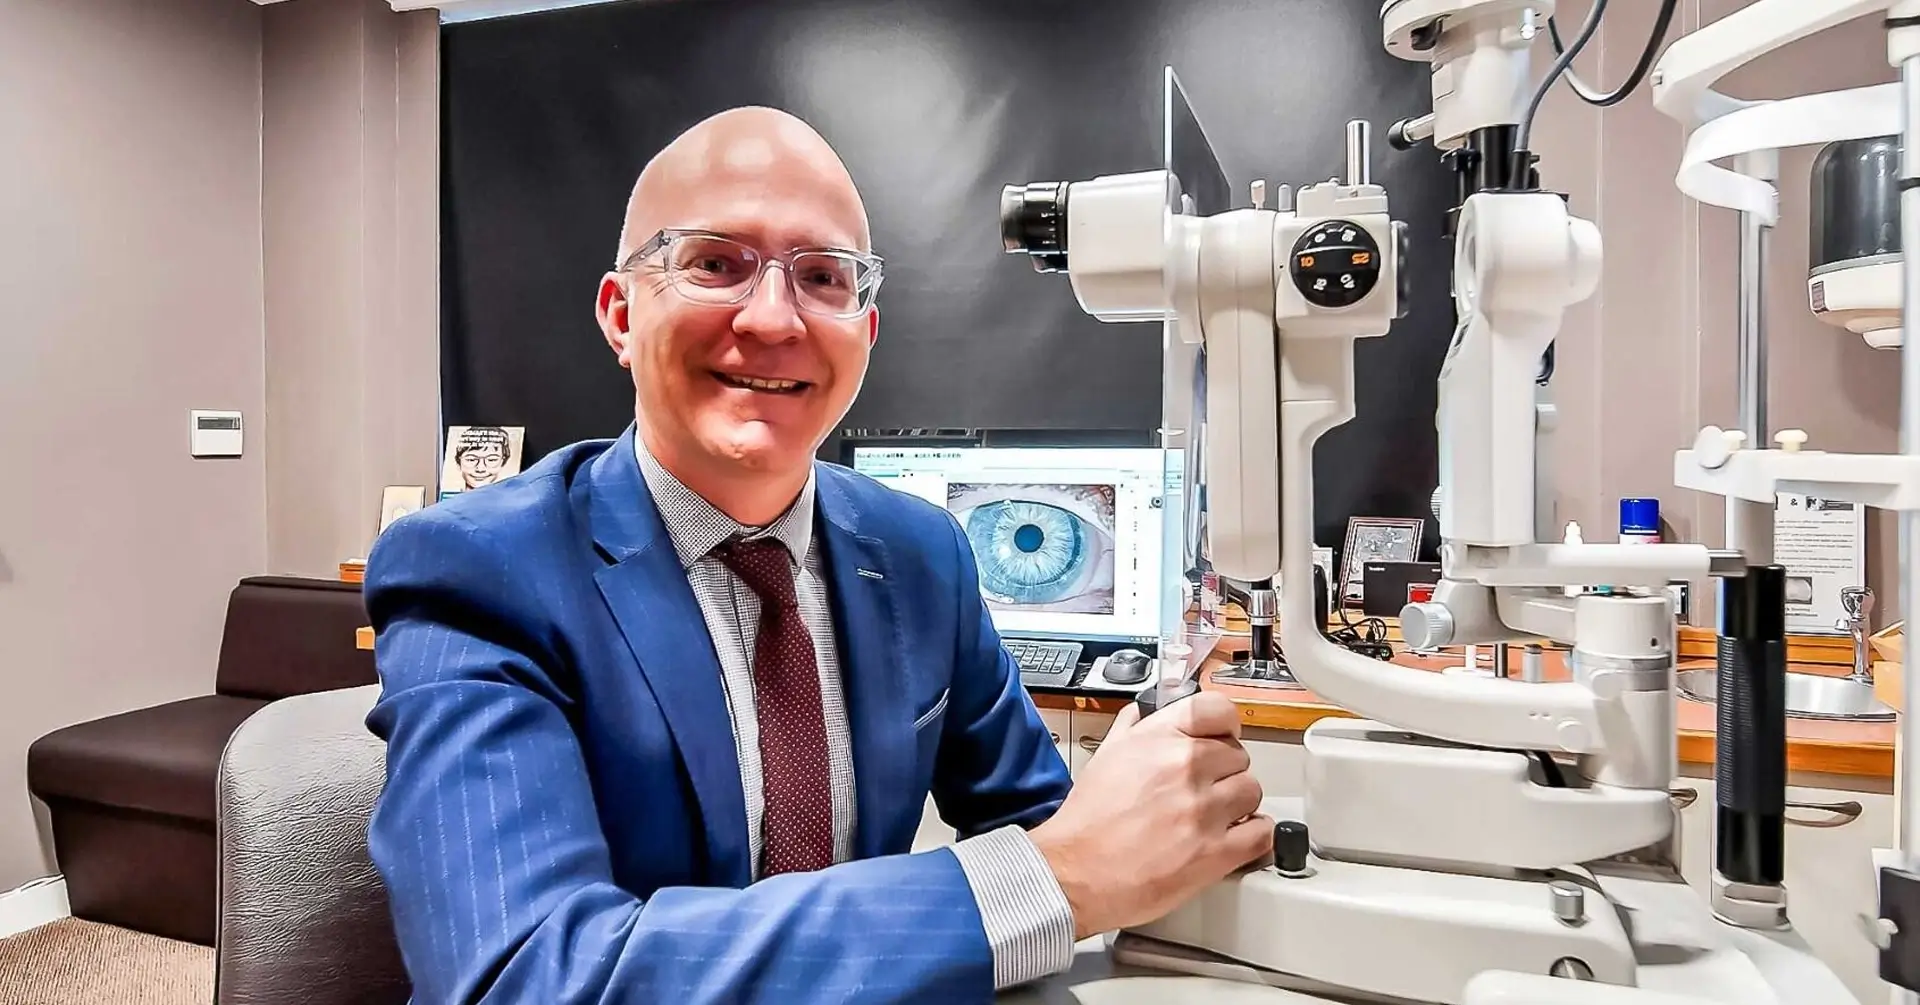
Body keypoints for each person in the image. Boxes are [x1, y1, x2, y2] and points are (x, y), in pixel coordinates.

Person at [362, 105, 1271, 1004]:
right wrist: (1055, 881)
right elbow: (526, 978)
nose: (771, 319)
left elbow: (1046, 823)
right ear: (620, 314)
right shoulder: (480, 570)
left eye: (824, 277)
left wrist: (1153, 802)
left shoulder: (923, 556)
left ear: (865, 335)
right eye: (715, 263)